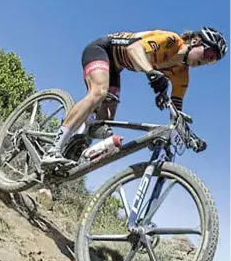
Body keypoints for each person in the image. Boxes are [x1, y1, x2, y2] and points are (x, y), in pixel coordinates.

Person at [41, 27, 227, 168]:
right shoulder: (171, 41)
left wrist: (189, 136)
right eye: (208, 54)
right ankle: (53, 148)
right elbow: (133, 49)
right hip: (102, 49)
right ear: (195, 41)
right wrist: (151, 72)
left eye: (212, 61)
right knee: (99, 91)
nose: (205, 62)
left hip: (116, 67)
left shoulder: (182, 75)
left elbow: (177, 111)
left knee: (104, 123)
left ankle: (68, 155)